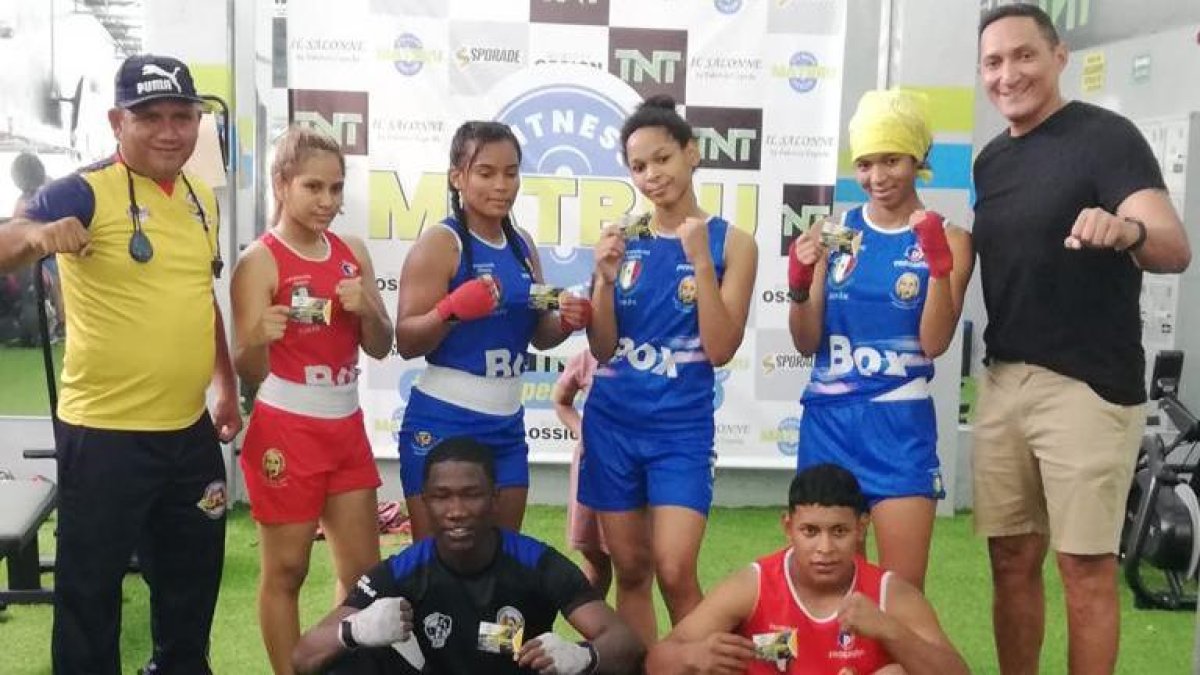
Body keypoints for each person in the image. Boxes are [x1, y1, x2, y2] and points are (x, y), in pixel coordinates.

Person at [0, 54, 241, 674]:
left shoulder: (197, 199)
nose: (169, 131)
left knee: (191, 583)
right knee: (90, 594)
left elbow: (198, 298)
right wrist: (34, 237)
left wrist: (225, 383)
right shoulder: (84, 188)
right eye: (151, 117)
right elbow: (7, 238)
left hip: (188, 433)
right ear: (117, 121)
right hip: (105, 435)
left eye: (181, 116)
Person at [973, 5, 1191, 673]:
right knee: (1011, 558)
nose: (1009, 74)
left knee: (1084, 566)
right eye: (994, 62)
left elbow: (1173, 247)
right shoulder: (989, 161)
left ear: (1059, 56)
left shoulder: (1107, 138)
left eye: (1024, 56)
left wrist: (1125, 231)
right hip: (1004, 381)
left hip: (1087, 386)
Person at [582, 94, 759, 645]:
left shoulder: (735, 242)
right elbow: (603, 348)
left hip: (680, 430)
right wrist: (605, 281)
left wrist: (701, 260)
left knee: (676, 570)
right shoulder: (622, 238)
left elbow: (721, 346)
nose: (652, 175)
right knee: (631, 571)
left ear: (691, 153)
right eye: (639, 166)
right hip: (612, 424)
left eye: (662, 159)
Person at [786, 89, 973, 590]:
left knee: (900, 589)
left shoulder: (951, 237)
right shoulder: (834, 231)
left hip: (899, 422)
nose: (877, 177)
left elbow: (934, 342)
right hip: (828, 420)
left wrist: (938, 268)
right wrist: (798, 285)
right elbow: (806, 343)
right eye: (866, 163)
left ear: (918, 158)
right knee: (825, 580)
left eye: (891, 159)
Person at [231, 125, 394, 674]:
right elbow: (246, 369)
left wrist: (369, 308)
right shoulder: (260, 260)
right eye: (313, 187)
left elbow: (381, 344)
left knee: (365, 575)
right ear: (282, 184)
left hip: (345, 425)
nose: (327, 201)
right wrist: (258, 339)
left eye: (335, 188)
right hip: (285, 428)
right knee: (287, 570)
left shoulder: (353, 253)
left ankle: (334, 666)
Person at [291, 437, 645, 674]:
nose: (456, 510)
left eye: (470, 494)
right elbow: (304, 656)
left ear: (494, 498)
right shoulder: (401, 572)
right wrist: (354, 630)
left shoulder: (537, 563)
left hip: (509, 666)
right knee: (349, 661)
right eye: (442, 496)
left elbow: (625, 642)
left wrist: (583, 655)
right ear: (425, 502)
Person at [392, 121, 591, 540]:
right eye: (486, 173)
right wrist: (451, 309)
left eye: (511, 172)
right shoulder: (442, 244)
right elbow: (406, 341)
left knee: (501, 560)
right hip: (444, 417)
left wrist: (568, 321)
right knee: (437, 564)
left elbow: (540, 334)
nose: (501, 185)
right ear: (457, 177)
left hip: (505, 422)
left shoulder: (522, 244)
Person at [644, 463, 969, 675]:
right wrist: (693, 656)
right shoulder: (753, 585)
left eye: (839, 532)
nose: (824, 549)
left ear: (861, 528)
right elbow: (658, 659)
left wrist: (890, 630)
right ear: (789, 527)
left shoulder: (889, 594)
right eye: (810, 531)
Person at [552, 348, 612, 596]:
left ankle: (633, 633)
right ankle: (595, 631)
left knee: (635, 564)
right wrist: (583, 432)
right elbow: (561, 400)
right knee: (595, 559)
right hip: (593, 470)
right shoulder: (586, 358)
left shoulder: (651, 357)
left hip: (637, 470)